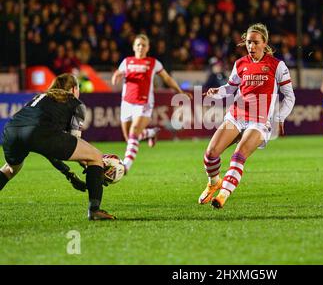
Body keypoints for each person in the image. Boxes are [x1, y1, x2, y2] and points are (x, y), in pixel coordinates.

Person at [198, 23, 295, 209]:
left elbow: (290, 96)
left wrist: (280, 117)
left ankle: (223, 195)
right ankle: (213, 183)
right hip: (237, 115)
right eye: (248, 42)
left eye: (255, 42)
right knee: (210, 154)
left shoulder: (277, 66)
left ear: (264, 43)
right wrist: (217, 91)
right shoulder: (240, 64)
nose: (251, 46)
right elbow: (230, 88)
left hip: (259, 121)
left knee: (239, 154)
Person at [0, 73, 115, 220]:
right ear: (74, 89)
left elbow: (47, 148)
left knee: (10, 169)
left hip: (11, 131)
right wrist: (96, 170)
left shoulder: (40, 97)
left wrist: (69, 174)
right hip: (39, 131)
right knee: (95, 156)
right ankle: (94, 210)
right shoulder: (76, 103)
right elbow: (74, 142)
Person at [111, 34, 191, 173]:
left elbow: (166, 77)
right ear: (133, 47)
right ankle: (151, 133)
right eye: (138, 44)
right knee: (128, 138)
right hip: (126, 103)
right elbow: (118, 72)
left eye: (143, 45)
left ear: (147, 47)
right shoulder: (127, 61)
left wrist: (179, 91)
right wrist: (116, 76)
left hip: (144, 103)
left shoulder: (153, 63)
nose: (141, 47)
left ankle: (125, 167)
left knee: (134, 132)